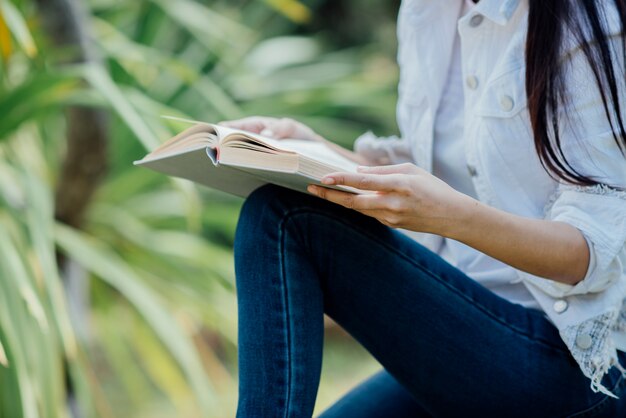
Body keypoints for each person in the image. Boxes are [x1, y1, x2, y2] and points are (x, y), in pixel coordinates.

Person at [223, 0, 626, 416]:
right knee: (277, 206)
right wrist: (306, 146)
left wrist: (453, 216)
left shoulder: (588, 22)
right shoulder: (426, 11)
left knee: (282, 217)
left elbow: (592, 255)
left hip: (579, 362)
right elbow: (430, 173)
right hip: (468, 326)